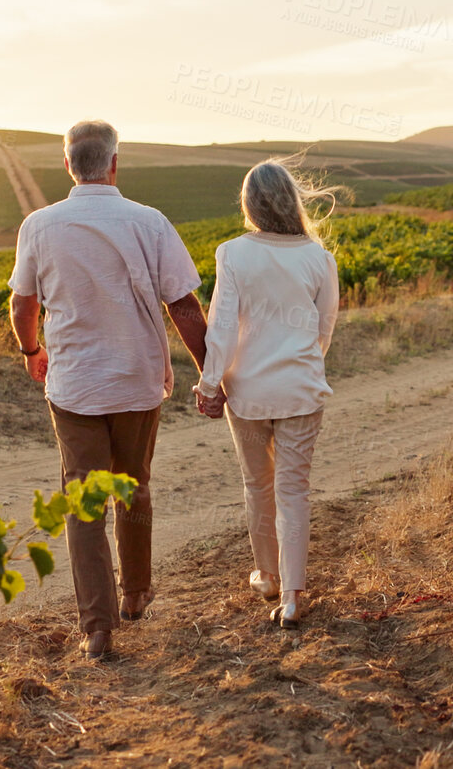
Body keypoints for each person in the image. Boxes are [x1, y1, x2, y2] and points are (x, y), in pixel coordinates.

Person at [8, 120, 209, 658]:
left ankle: (97, 628)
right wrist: (209, 372)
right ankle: (136, 592)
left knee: (84, 502)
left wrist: (31, 350)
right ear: (114, 163)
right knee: (134, 485)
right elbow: (184, 306)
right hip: (137, 381)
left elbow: (23, 303)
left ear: (68, 165)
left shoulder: (39, 226)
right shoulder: (150, 222)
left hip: (74, 386)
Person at [192, 160, 341, 628]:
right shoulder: (319, 258)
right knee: (293, 489)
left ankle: (268, 576)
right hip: (301, 390)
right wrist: (300, 363)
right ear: (292, 201)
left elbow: (221, 327)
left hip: (248, 392)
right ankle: (293, 597)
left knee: (258, 483)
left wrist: (209, 384)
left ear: (249, 205)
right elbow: (324, 330)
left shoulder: (232, 253)